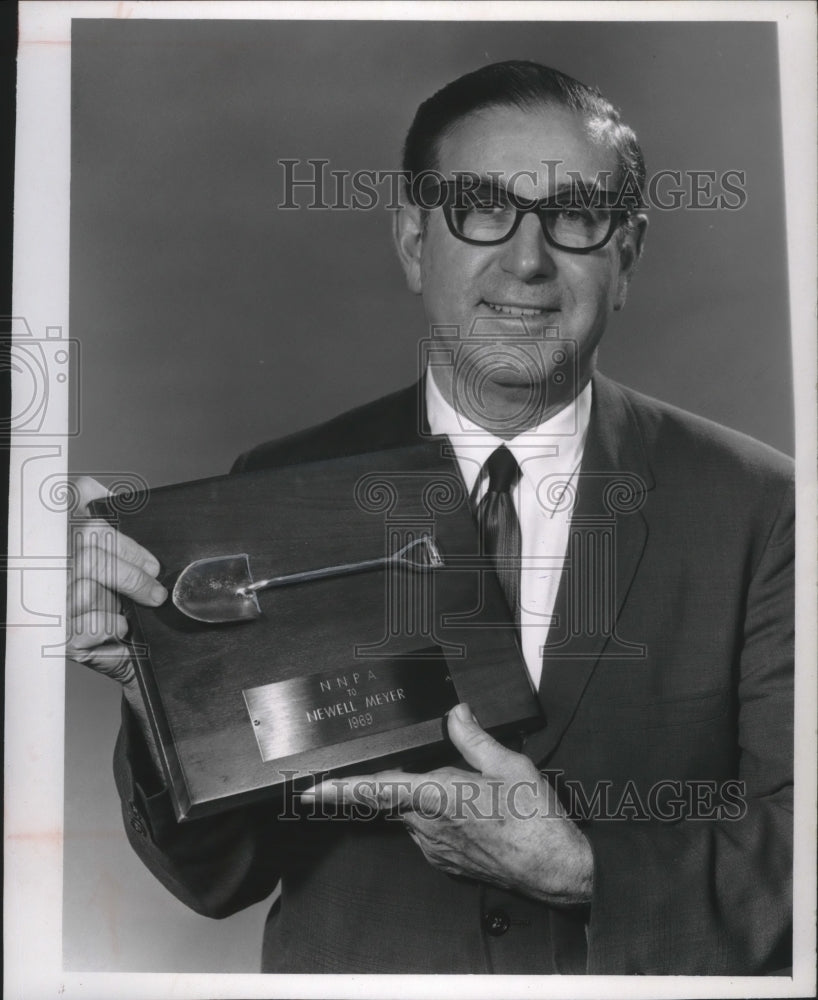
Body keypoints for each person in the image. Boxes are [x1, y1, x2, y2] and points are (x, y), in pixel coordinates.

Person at [67, 61, 793, 974]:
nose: (527, 261)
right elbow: (217, 877)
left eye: (574, 216)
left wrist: (589, 871)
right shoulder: (282, 490)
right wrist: (155, 689)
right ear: (414, 240)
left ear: (628, 256)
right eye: (481, 207)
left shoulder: (763, 510)